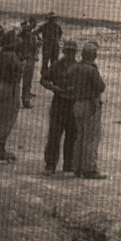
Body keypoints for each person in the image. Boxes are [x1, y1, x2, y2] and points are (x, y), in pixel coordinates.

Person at [70, 42, 108, 179]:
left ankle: (77, 166)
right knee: (91, 138)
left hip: (77, 103)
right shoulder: (91, 70)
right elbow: (101, 87)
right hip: (90, 104)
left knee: (80, 136)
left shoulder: (75, 68)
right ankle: (90, 168)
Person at [41, 40, 79, 174]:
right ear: (64, 52)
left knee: (72, 136)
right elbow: (43, 79)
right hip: (58, 103)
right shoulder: (56, 65)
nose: (70, 54)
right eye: (68, 51)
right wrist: (52, 87)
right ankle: (50, 165)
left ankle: (68, 164)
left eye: (72, 52)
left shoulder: (79, 67)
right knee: (54, 136)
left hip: (73, 104)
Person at [0, 30, 23, 160]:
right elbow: (17, 73)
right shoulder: (12, 57)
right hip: (10, 88)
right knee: (8, 118)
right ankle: (0, 149)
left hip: (0, 86)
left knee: (0, 117)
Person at [17, 18, 39, 107]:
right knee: (17, 81)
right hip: (20, 60)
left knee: (27, 82)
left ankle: (26, 100)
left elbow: (35, 49)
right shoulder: (18, 38)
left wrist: (34, 56)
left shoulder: (32, 38)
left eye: (28, 30)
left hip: (29, 60)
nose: (27, 32)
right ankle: (17, 100)